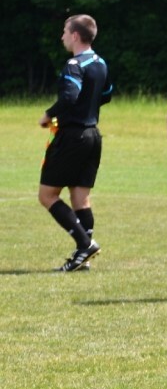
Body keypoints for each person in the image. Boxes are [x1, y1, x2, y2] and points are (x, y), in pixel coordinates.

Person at [39, 14, 113, 272]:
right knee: (80, 197)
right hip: (93, 135)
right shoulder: (100, 62)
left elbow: (69, 96)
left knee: (47, 195)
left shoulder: (74, 64)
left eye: (64, 31)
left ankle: (85, 244)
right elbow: (107, 95)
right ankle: (84, 255)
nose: (62, 36)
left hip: (72, 137)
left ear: (75, 35)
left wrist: (49, 115)